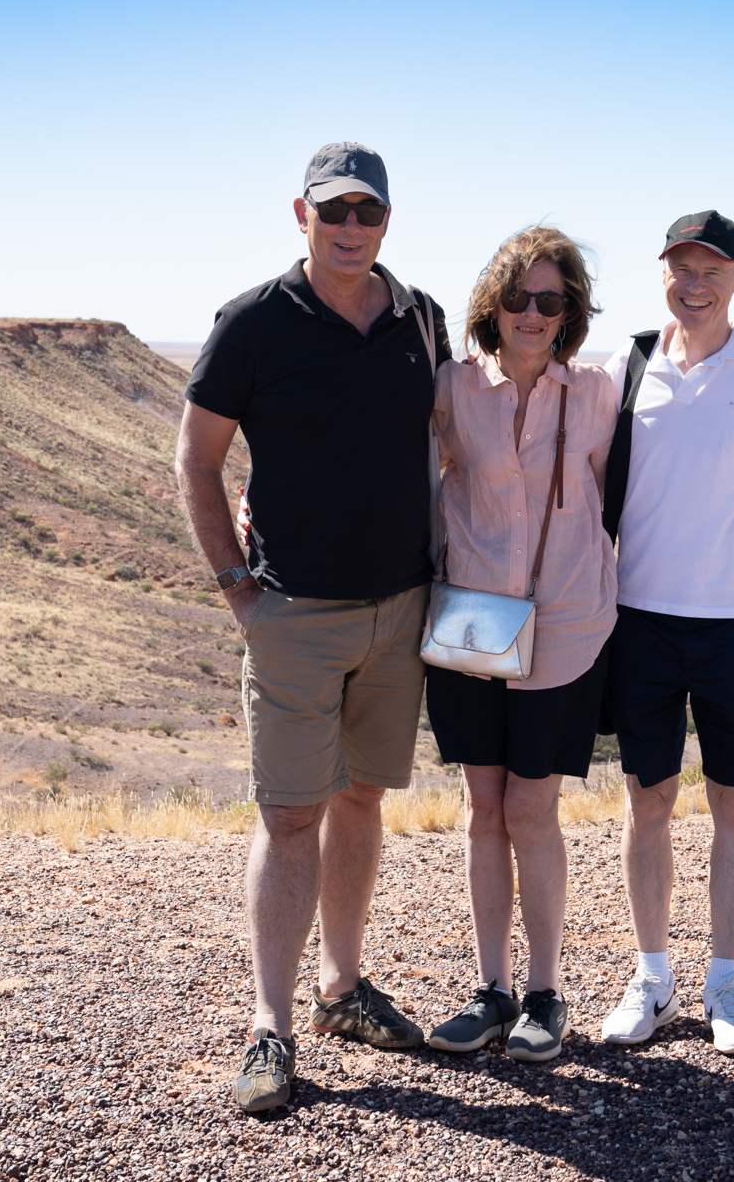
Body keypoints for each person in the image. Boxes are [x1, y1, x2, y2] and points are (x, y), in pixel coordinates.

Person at [173, 143, 449, 1114]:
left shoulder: (420, 319)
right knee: (291, 815)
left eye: (367, 211)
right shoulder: (252, 322)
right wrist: (236, 588)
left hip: (400, 610)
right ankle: (271, 1028)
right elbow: (196, 460)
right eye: (334, 210)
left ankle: (342, 988)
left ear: (387, 220)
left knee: (363, 799)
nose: (350, 227)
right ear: (303, 214)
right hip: (292, 613)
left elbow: (462, 440)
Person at [597, 211, 734, 1055]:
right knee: (647, 802)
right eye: (680, 269)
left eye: (710, 271)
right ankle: (652, 979)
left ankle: (726, 981)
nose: (694, 285)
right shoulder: (625, 368)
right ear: (663, 275)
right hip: (639, 619)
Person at [416, 226, 613, 1064]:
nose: (532, 313)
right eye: (518, 297)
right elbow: (391, 466)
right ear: (492, 305)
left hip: (566, 627)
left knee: (532, 811)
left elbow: (636, 492)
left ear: (569, 311)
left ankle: (544, 994)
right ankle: (489, 991)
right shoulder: (453, 388)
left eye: (550, 299)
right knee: (482, 810)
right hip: (471, 627)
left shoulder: (597, 395)